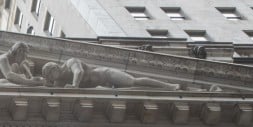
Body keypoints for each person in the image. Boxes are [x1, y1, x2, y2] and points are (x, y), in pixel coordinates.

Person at [41, 57, 179, 90]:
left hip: (105, 75)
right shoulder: (60, 82)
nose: (51, 79)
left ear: (54, 69)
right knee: (132, 89)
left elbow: (79, 72)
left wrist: (74, 86)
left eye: (50, 75)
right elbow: (53, 91)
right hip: (101, 88)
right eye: (49, 78)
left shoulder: (70, 63)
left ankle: (169, 86)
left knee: (133, 82)